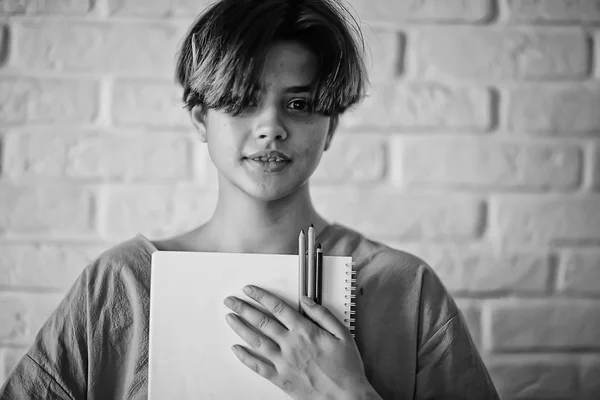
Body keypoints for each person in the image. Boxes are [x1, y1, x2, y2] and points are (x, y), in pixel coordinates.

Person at [0, 0, 500, 399]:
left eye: (299, 104)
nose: (271, 128)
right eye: (241, 100)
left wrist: (348, 395)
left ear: (330, 127)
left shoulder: (407, 289)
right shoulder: (120, 285)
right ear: (200, 119)